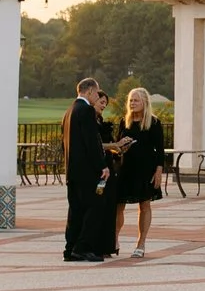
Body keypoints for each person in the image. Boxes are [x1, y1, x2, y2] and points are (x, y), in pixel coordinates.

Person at [112, 88, 166, 258]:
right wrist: (120, 147)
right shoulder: (124, 122)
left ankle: (141, 243)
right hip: (126, 168)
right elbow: (116, 147)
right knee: (118, 205)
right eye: (130, 101)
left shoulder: (154, 123)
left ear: (144, 102)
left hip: (145, 170)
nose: (132, 103)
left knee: (144, 205)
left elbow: (160, 150)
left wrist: (159, 171)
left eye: (136, 100)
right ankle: (113, 240)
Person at [62, 78, 112, 262]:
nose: (98, 96)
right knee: (95, 206)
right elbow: (92, 142)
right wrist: (102, 165)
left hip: (73, 171)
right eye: (97, 93)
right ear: (90, 91)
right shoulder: (86, 110)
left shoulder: (69, 112)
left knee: (75, 210)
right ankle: (83, 247)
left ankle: (70, 249)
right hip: (87, 172)